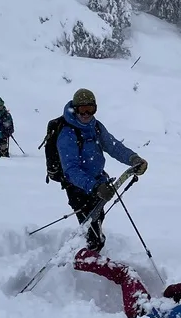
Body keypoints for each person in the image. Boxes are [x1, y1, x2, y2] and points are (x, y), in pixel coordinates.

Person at [43, 89, 148, 252]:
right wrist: (94, 187)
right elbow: (71, 170)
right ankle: (85, 259)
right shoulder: (67, 134)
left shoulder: (96, 127)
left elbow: (113, 146)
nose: (86, 114)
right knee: (91, 230)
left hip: (98, 182)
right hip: (78, 187)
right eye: (82, 110)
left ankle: (90, 253)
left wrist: (133, 158)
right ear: (75, 109)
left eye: (90, 110)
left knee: (97, 219)